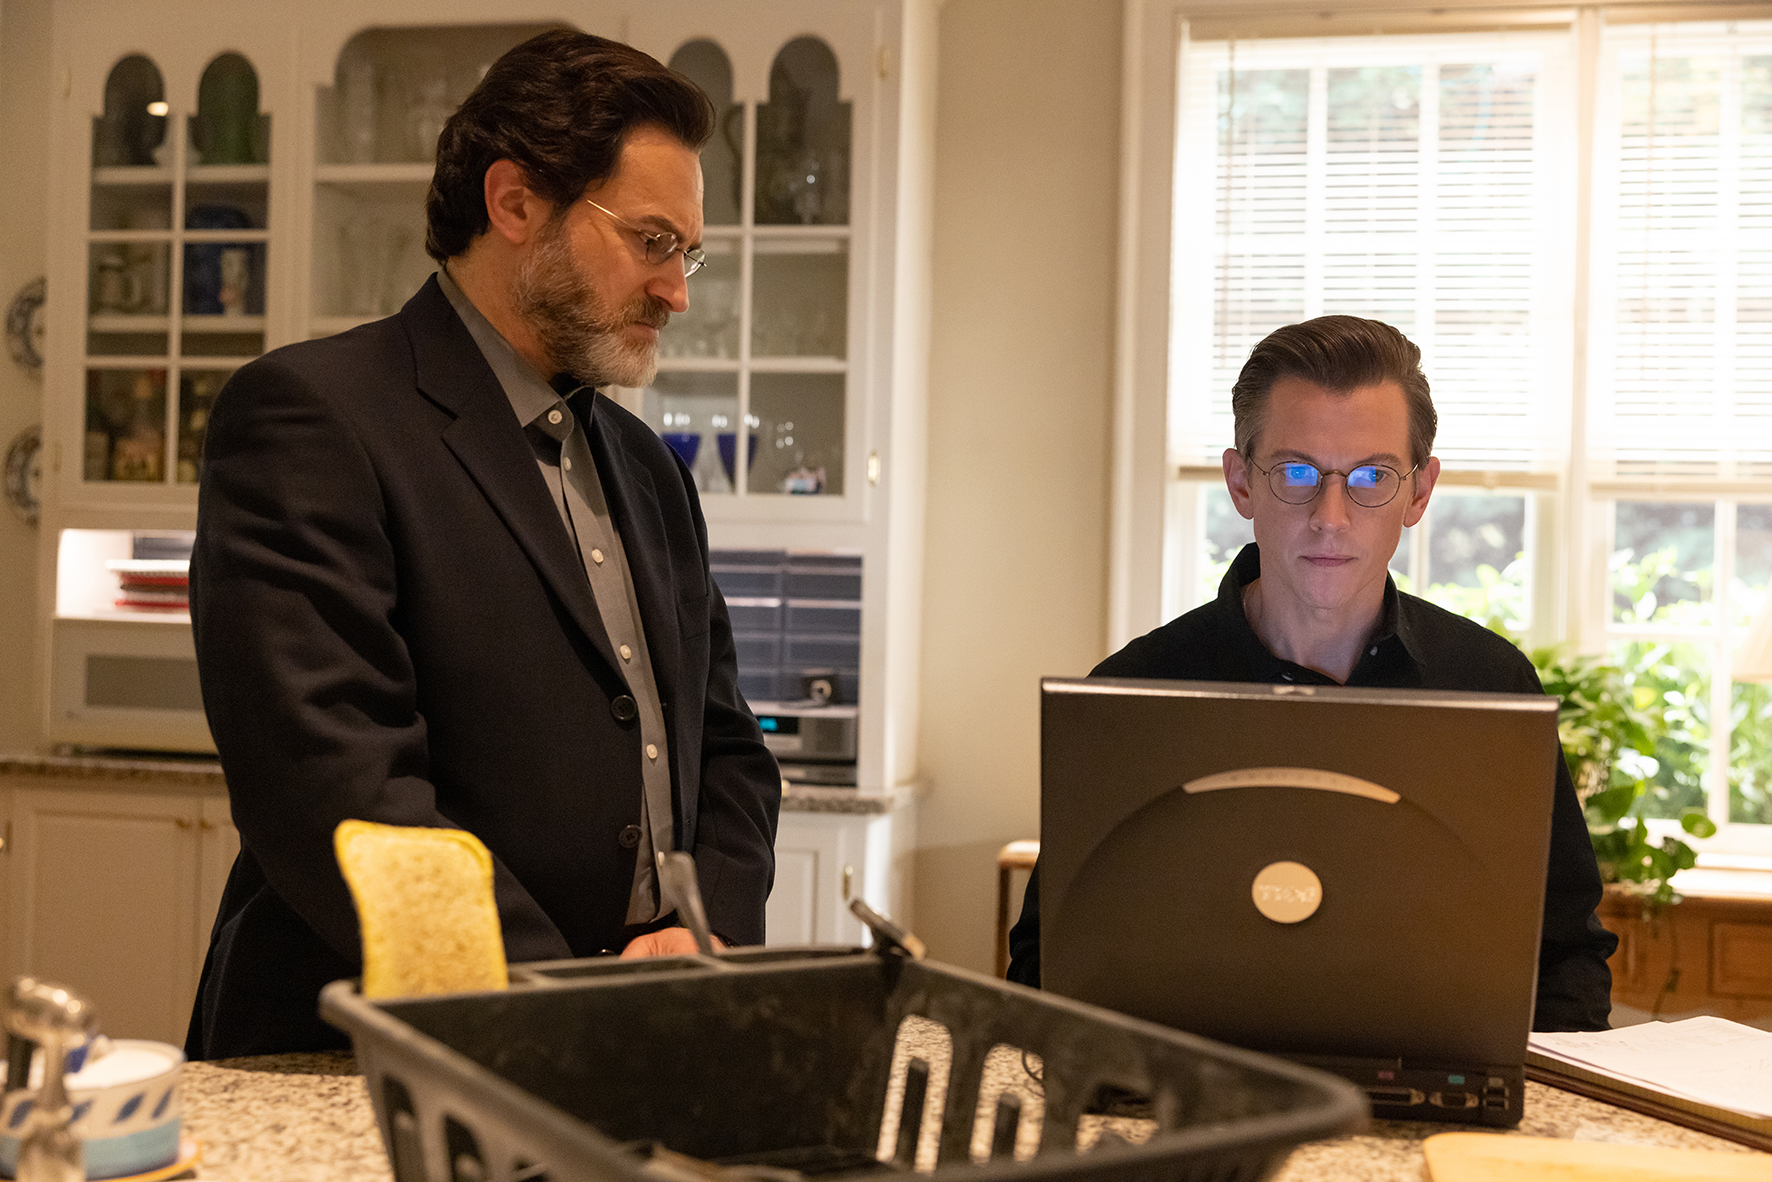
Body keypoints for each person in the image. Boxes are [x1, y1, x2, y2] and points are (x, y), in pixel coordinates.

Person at [186, 30, 781, 1059]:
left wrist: (703, 931)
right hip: (363, 1051)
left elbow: (726, 749)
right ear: (513, 203)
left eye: (687, 254)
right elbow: (339, 790)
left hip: (627, 1043)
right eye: (650, 242)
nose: (675, 291)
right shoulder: (313, 418)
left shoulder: (647, 469)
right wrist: (554, 1001)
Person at [1007, 315, 1618, 1032]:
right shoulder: (1131, 693)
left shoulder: (1490, 686)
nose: (1331, 517)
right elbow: (1048, 966)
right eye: (1296, 473)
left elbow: (1568, 960)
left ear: (1419, 493)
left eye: (1372, 477)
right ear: (1240, 484)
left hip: (1436, 1115)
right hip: (1191, 1110)